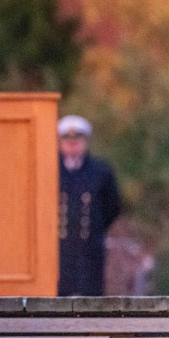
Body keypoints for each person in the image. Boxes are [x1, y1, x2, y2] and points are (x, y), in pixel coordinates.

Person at [57, 115, 122, 296]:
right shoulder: (50, 169)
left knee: (89, 295)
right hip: (58, 248)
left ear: (85, 142)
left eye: (77, 140)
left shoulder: (100, 171)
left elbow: (113, 206)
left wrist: (97, 227)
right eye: (67, 141)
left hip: (89, 248)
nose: (72, 145)